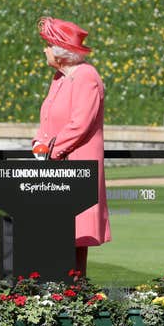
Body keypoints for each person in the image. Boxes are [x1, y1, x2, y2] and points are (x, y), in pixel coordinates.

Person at [33, 16, 111, 276]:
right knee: (59, 233)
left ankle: (71, 294)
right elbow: (49, 118)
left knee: (73, 233)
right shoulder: (60, 77)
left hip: (75, 163)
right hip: (57, 164)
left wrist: (49, 151)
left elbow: (80, 124)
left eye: (47, 45)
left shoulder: (87, 76)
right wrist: (39, 143)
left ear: (61, 53)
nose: (44, 50)